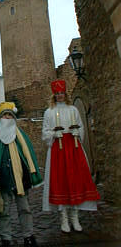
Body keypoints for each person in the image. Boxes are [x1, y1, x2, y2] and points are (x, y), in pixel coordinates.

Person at [0, 102, 42, 247]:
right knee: (4, 211)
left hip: (20, 180)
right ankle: (5, 238)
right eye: (5, 115)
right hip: (3, 180)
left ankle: (28, 235)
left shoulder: (21, 136)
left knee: (25, 209)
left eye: (10, 115)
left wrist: (30, 175)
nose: (7, 118)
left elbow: (28, 156)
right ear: (0, 118)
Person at [42, 80, 100, 233]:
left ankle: (75, 217)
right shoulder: (49, 112)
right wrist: (54, 134)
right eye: (57, 93)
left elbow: (80, 126)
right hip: (58, 150)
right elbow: (45, 132)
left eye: (62, 93)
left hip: (73, 148)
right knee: (61, 181)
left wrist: (77, 133)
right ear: (54, 95)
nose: (60, 96)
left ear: (65, 94)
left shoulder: (73, 109)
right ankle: (64, 218)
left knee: (75, 180)